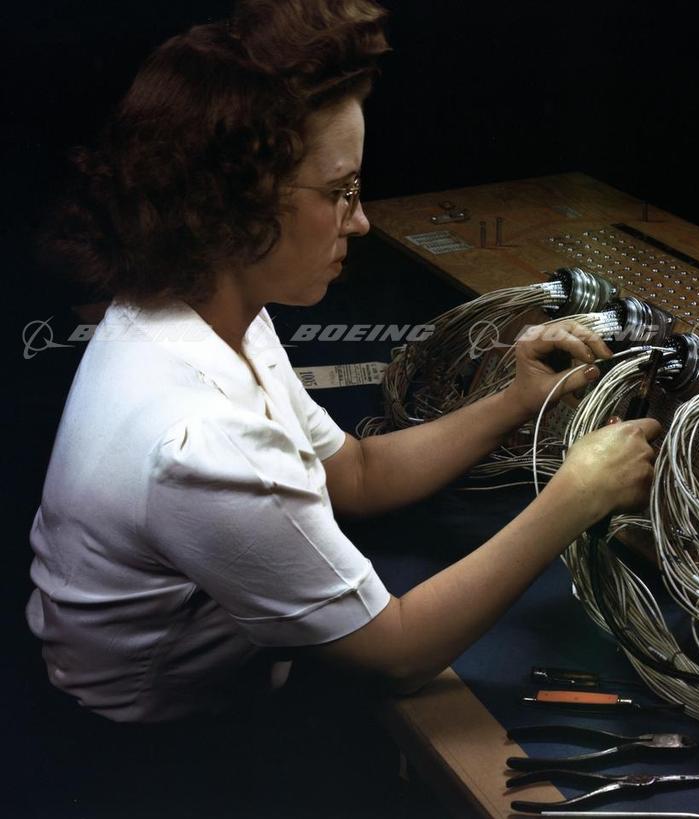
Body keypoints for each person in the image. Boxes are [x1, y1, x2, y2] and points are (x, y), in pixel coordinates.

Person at [27, 0, 661, 725]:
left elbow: (356, 474)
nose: (360, 221)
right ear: (240, 202)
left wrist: (516, 399)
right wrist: (577, 495)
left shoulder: (202, 311)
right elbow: (397, 653)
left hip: (229, 669)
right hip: (154, 738)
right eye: (340, 192)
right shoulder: (199, 440)